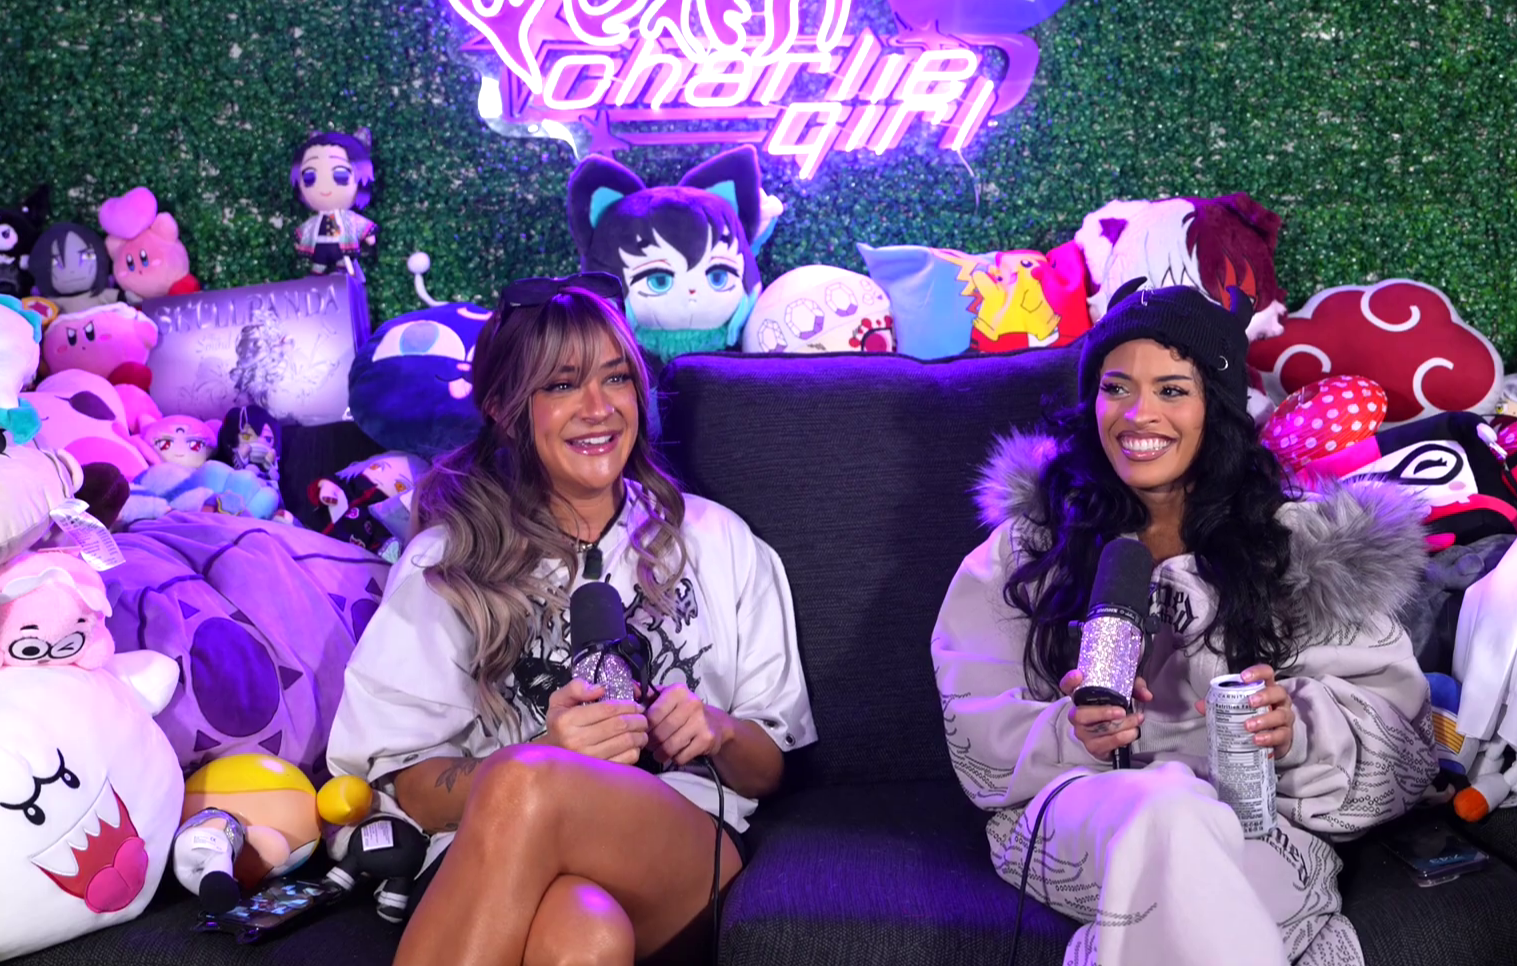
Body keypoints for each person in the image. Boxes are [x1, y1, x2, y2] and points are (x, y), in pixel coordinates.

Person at [933, 280, 1438, 966]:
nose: (1138, 413)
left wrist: (1295, 729)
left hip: (1258, 827)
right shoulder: (1029, 549)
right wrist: (1070, 731)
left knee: (1200, 888)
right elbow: (975, 724)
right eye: (1116, 388)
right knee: (1168, 810)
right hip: (1085, 815)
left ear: (1217, 408)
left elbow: (1403, 741)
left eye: (1171, 390)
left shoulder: (1301, 548)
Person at [328, 273, 815, 966]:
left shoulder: (717, 540)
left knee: (524, 777)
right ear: (503, 408)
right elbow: (406, 783)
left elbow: (769, 771)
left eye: (616, 378)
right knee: (582, 936)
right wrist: (548, 754)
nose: (599, 408)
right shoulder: (447, 563)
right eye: (561, 385)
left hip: (680, 849)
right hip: (497, 863)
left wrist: (718, 730)